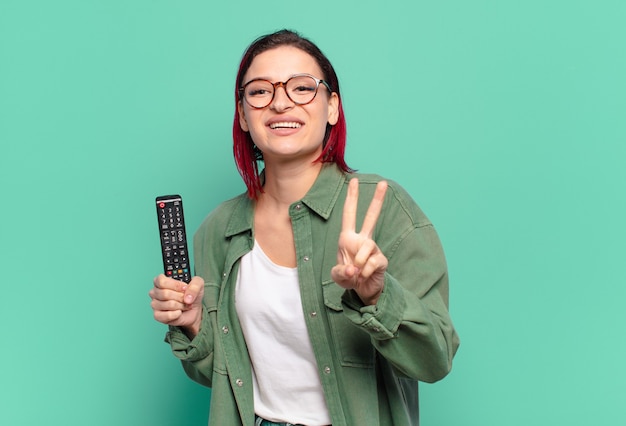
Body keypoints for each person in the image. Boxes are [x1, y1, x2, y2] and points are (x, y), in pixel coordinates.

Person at [149, 29, 460, 426]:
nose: (280, 103)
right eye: (260, 91)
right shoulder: (217, 230)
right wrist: (193, 326)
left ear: (332, 107)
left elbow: (435, 360)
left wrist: (377, 295)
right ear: (243, 115)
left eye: (302, 88)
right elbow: (224, 378)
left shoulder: (383, 209)